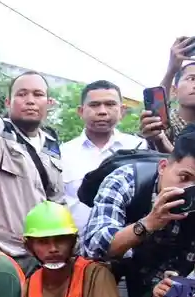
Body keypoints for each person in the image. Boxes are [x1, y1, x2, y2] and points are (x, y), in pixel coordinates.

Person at [81, 129, 195, 297]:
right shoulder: (125, 181)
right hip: (112, 273)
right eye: (184, 177)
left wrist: (164, 292)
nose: (188, 189)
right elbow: (94, 249)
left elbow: (191, 270)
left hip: (162, 288)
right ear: (163, 167)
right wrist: (149, 223)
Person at [0, 30, 63, 269]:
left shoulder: (52, 144)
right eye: (22, 94)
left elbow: (57, 202)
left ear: (49, 103)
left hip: (41, 258)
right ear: (8, 103)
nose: (30, 100)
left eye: (38, 94)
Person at [60, 80, 146, 235]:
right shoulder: (63, 153)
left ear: (122, 110)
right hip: (75, 244)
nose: (102, 111)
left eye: (110, 104)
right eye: (94, 105)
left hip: (129, 243)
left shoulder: (139, 148)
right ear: (81, 111)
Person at [143, 40, 195, 152]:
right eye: (191, 78)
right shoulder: (162, 126)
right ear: (174, 90)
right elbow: (158, 108)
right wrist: (171, 71)